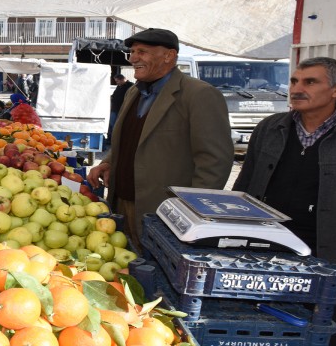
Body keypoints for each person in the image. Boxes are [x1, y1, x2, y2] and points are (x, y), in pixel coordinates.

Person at [233, 57, 336, 345]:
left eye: (310, 82)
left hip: (330, 253)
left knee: (322, 331)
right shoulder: (269, 128)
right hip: (269, 249)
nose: (297, 88)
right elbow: (245, 184)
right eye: (294, 81)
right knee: (262, 329)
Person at [87, 28, 233, 249]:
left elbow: (214, 162)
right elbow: (128, 140)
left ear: (169, 56)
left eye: (142, 51)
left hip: (163, 213)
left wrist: (190, 215)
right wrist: (107, 161)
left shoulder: (199, 94)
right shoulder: (133, 92)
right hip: (121, 204)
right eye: (133, 51)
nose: (133, 58)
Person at [107, 74, 133, 146]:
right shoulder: (119, 86)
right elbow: (115, 95)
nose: (117, 83)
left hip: (121, 110)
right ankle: (110, 140)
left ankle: (116, 140)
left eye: (117, 81)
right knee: (111, 125)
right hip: (114, 109)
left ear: (122, 79)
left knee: (117, 126)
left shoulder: (131, 86)